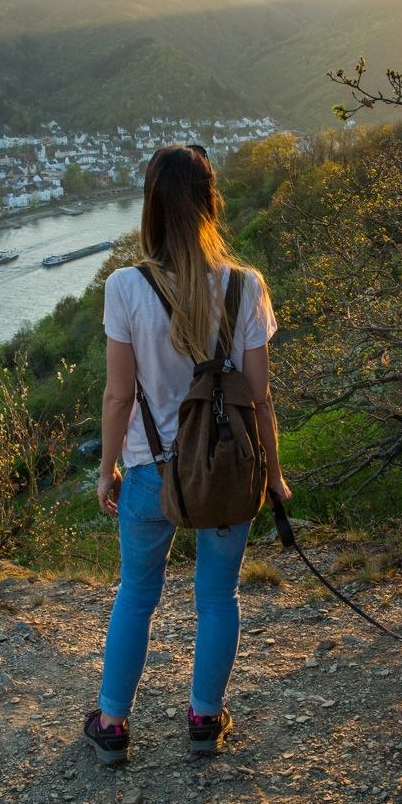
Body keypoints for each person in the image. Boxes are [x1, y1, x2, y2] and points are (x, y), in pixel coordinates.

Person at [83, 143, 289, 765]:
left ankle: (113, 726)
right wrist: (274, 477)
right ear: (209, 202)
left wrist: (107, 469)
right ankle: (204, 719)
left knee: (136, 595)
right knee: (216, 597)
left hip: (149, 474)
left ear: (150, 206)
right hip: (225, 471)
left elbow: (119, 397)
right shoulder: (245, 286)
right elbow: (260, 400)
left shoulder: (125, 287)